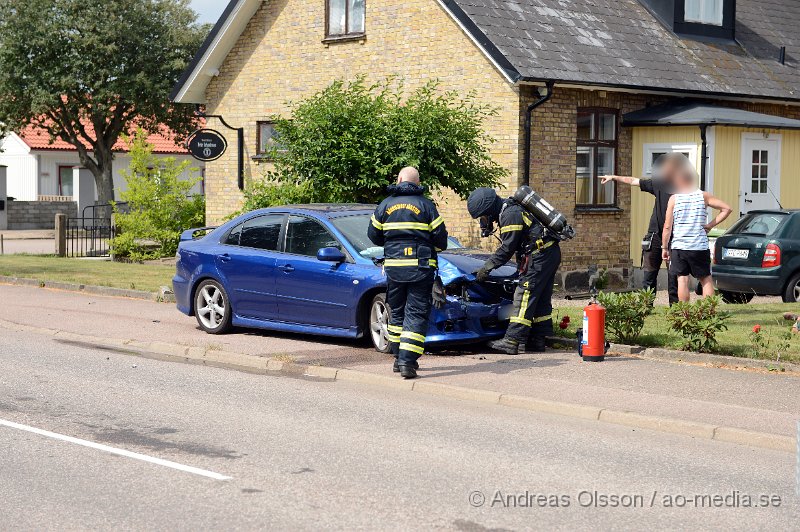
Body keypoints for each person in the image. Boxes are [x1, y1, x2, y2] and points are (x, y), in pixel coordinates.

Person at [368, 167, 448, 379]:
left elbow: (373, 236)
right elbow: (442, 240)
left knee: (397, 311)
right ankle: (407, 362)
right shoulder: (426, 205)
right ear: (417, 182)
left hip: (394, 270)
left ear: (399, 179)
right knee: (416, 314)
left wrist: (392, 241)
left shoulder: (385, 204)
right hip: (421, 270)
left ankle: (397, 358)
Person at [467, 187, 561, 355]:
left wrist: (486, 268)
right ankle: (538, 339)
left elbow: (506, 249)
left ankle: (512, 341)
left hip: (539, 256)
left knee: (524, 294)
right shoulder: (509, 210)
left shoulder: (510, 215)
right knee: (540, 298)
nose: (484, 222)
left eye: (483, 217)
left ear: (489, 211)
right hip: (549, 253)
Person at [601, 153, 682, 305]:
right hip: (655, 236)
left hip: (675, 237)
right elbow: (634, 181)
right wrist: (613, 177)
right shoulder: (659, 184)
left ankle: (675, 308)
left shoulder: (683, 189)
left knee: (673, 276)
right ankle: (646, 306)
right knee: (649, 275)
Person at [661, 157, 732, 302]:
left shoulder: (674, 199)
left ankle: (684, 313)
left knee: (682, 280)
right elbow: (727, 209)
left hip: (679, 246)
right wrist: (710, 225)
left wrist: (664, 247)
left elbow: (667, 226)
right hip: (699, 245)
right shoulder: (703, 196)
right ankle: (708, 312)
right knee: (705, 279)